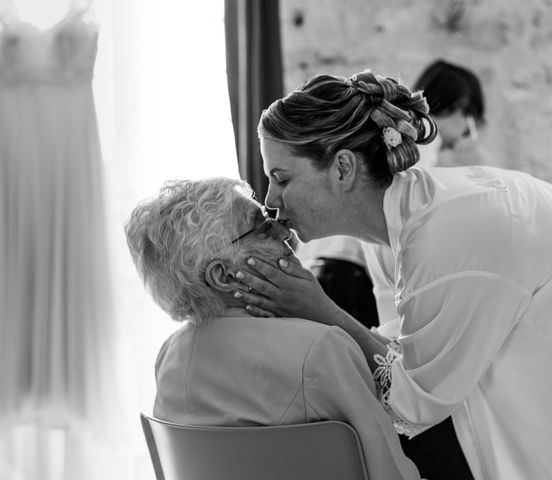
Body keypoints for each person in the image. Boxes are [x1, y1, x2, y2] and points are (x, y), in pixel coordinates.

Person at [231, 71, 552, 480]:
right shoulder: (388, 233)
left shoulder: (448, 231)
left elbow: (414, 404)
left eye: (281, 178)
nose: (270, 199)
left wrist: (317, 307)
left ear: (342, 168)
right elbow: (401, 355)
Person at [123, 177, 421, 480]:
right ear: (223, 276)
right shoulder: (320, 347)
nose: (283, 231)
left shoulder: (170, 357)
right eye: (262, 227)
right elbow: (391, 472)